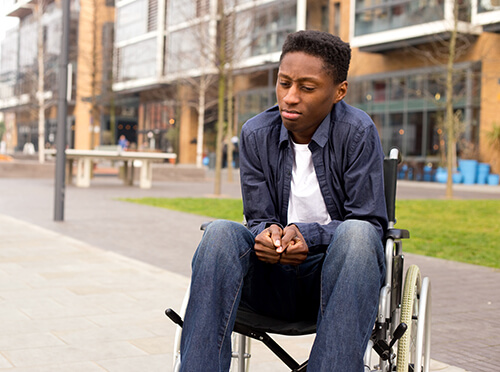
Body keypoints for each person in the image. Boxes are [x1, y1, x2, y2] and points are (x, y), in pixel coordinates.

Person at [180, 30, 388, 371]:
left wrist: (309, 234)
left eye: (306, 88)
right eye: (283, 83)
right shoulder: (255, 133)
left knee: (358, 234)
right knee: (219, 233)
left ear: (339, 91)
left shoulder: (358, 132)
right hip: (270, 280)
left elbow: (369, 222)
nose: (290, 97)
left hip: (336, 282)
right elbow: (258, 216)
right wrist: (267, 234)